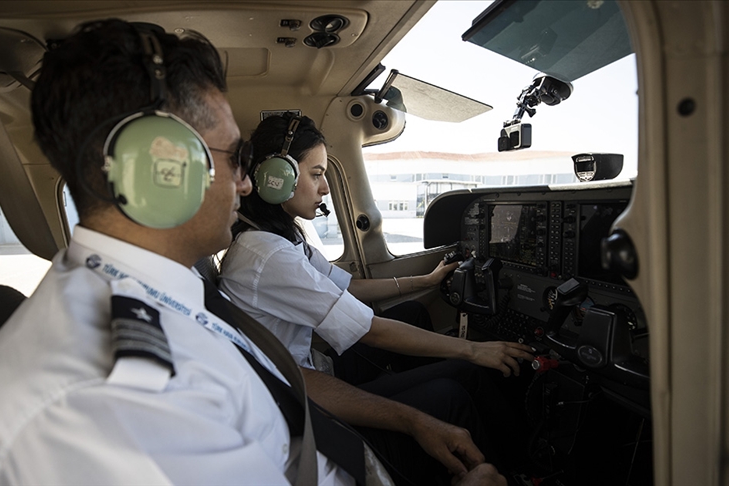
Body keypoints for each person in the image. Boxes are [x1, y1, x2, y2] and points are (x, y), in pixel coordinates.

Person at [0, 19, 505, 486]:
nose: (245, 184)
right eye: (234, 157)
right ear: (161, 170)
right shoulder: (103, 395)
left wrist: (409, 420)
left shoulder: (172, 289)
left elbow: (286, 380)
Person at [218, 114, 537, 473]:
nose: (325, 188)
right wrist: (474, 350)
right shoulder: (269, 255)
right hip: (302, 403)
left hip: (307, 374)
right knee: (461, 381)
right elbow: (372, 330)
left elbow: (347, 285)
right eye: (317, 174)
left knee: (413, 314)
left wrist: (423, 282)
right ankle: (519, 471)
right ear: (277, 178)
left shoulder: (280, 238)